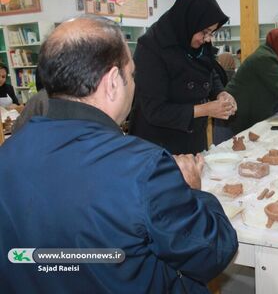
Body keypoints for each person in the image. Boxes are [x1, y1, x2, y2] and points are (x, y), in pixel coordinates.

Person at [0, 15, 238, 293]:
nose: (134, 85)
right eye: (132, 75)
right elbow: (213, 251)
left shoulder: (9, 153)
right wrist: (195, 191)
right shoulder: (143, 167)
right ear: (113, 81)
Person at [129, 0, 237, 154]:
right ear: (189, 21)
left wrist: (220, 93)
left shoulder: (195, 39)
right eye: (205, 32)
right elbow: (155, 110)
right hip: (159, 143)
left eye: (212, 33)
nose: (208, 39)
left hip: (192, 138)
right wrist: (206, 109)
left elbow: (209, 71)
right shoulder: (151, 47)